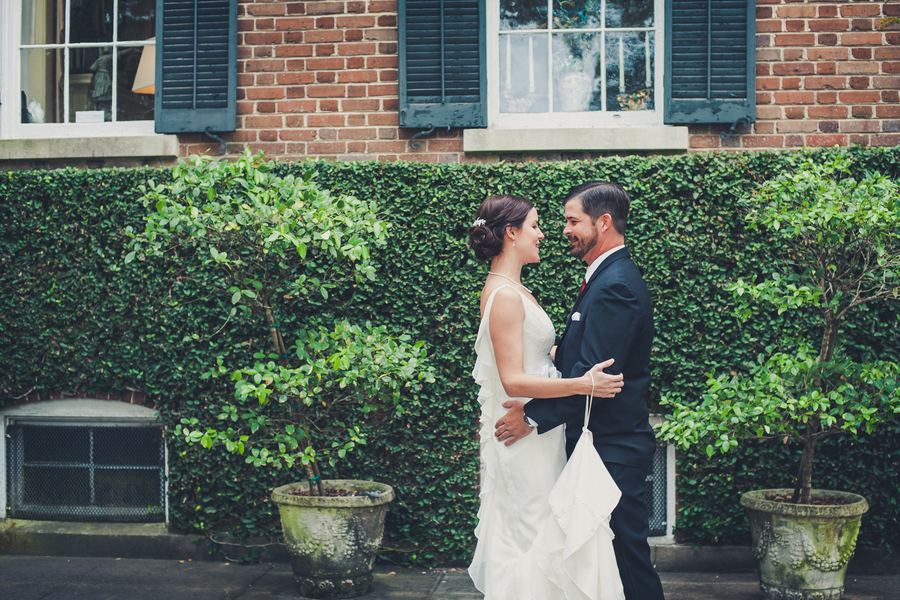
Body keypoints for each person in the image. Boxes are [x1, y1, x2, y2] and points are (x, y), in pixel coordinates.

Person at [494, 182, 666, 600]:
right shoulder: (605, 276)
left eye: (573, 221)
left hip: (613, 448)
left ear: (603, 223)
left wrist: (530, 416)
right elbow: (585, 357)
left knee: (626, 558)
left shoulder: (615, 285)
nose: (565, 229)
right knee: (604, 560)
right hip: (602, 443)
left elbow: (594, 380)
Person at [467, 194, 626, 600]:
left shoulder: (513, 289)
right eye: (535, 226)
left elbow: (535, 354)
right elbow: (514, 379)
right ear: (511, 233)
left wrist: (564, 358)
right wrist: (583, 384)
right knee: (532, 533)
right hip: (522, 437)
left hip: (540, 434)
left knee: (545, 530)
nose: (542, 234)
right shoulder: (503, 295)